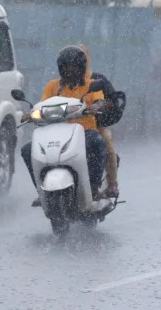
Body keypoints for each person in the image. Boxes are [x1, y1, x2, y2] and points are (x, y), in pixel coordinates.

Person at [21, 45, 107, 207]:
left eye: (74, 67)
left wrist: (96, 106)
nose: (70, 71)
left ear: (81, 68)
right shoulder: (52, 86)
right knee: (27, 150)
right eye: (66, 67)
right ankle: (41, 191)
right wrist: (31, 114)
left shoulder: (91, 85)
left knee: (97, 142)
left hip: (84, 132)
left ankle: (94, 188)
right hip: (54, 133)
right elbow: (43, 104)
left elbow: (99, 100)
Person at [79, 44, 120, 199]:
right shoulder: (59, 84)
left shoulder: (96, 80)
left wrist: (98, 107)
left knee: (107, 146)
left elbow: (109, 100)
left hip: (93, 125)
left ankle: (112, 184)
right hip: (67, 126)